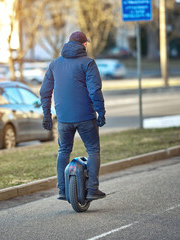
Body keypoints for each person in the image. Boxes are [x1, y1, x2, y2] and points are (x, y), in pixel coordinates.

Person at [40, 31, 106, 201]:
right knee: (93, 150)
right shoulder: (88, 63)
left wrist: (47, 115)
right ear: (84, 44)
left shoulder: (54, 64)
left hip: (63, 119)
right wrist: (101, 112)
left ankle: (62, 189)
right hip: (85, 116)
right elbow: (94, 90)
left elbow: (45, 91)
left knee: (64, 150)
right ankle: (92, 189)